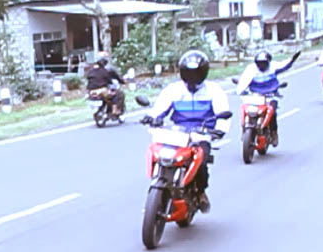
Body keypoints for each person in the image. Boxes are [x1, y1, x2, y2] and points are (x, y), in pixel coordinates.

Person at [140, 50, 230, 212]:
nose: (192, 76)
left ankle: (201, 192)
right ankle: (161, 182)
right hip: (177, 133)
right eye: (189, 72)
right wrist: (151, 117)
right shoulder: (173, 90)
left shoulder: (214, 90)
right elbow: (159, 108)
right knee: (161, 155)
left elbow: (223, 112)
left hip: (202, 133)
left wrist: (219, 130)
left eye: (196, 72)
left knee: (201, 162)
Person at [235, 50, 298, 146]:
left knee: (273, 112)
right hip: (255, 95)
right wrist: (240, 90)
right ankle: (244, 128)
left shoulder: (273, 67)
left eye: (264, 63)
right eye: (259, 63)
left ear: (268, 62)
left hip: (271, 94)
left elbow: (284, 65)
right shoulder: (251, 69)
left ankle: (273, 133)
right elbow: (243, 81)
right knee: (246, 109)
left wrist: (292, 59)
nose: (262, 65)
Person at [85, 52, 126, 116]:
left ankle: (105, 110)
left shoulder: (90, 71)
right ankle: (115, 110)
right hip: (102, 91)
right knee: (119, 94)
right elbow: (110, 80)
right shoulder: (105, 71)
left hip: (91, 92)